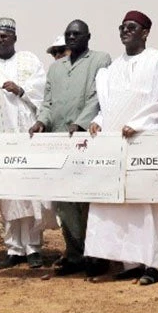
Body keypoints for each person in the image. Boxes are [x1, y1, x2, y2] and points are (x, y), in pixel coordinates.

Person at [84, 10, 158, 285]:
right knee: (125, 206)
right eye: (122, 27)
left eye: (132, 27)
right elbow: (109, 107)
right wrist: (99, 122)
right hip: (120, 147)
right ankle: (133, 262)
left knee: (155, 206)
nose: (125, 31)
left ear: (145, 32)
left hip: (148, 144)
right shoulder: (112, 69)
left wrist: (140, 124)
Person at [28, 20, 112, 276]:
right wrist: (41, 121)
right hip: (59, 141)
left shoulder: (100, 60)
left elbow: (98, 97)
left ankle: (97, 256)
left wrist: (80, 123)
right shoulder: (55, 68)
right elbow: (48, 102)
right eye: (68, 34)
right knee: (65, 202)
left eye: (77, 33)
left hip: (87, 140)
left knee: (88, 201)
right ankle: (74, 254)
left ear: (88, 36)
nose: (72, 37)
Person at [0, 17, 57, 269]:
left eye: (4, 36)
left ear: (14, 38)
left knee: (30, 192)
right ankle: (13, 249)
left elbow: (44, 91)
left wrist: (21, 89)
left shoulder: (30, 60)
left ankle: (33, 248)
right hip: (0, 140)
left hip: (27, 135)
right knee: (8, 193)